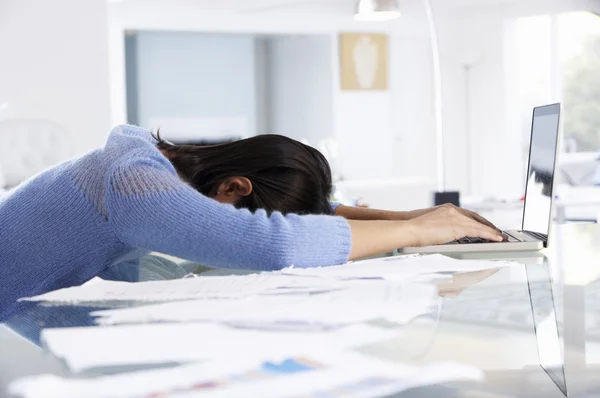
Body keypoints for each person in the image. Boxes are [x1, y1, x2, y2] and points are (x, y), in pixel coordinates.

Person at [0, 125, 503, 321]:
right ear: (235, 187)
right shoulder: (136, 185)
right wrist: (417, 234)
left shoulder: (146, 165)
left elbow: (298, 216)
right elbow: (271, 241)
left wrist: (411, 216)